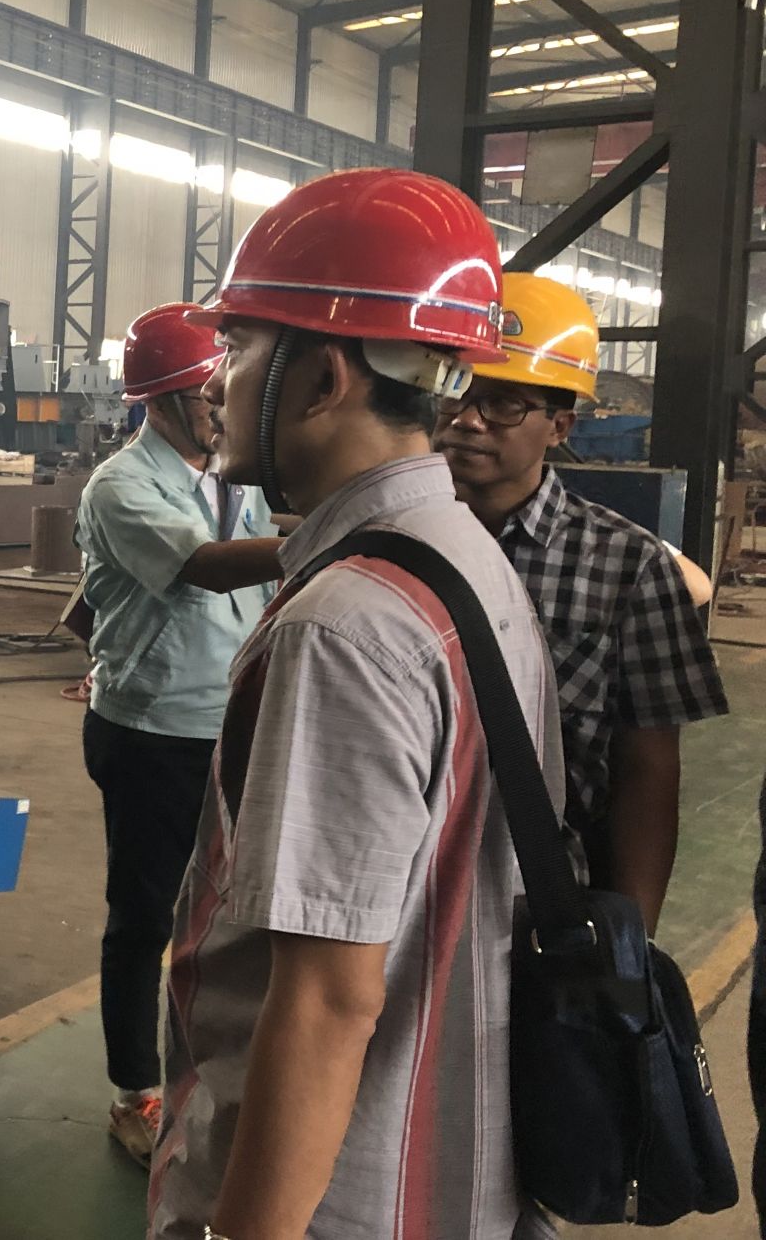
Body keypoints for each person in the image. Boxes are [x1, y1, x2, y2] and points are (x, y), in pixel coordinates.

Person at [147, 168, 563, 1240]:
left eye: (239, 346)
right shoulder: (462, 559)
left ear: (323, 377)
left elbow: (328, 999)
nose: (216, 381)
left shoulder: (344, 624)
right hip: (447, 1165)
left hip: (342, 1199)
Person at [436, 272, 726, 933]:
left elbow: (647, 774)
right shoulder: (390, 542)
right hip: (398, 890)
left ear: (560, 425)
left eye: (504, 404)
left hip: (539, 904)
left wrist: (630, 942)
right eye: (456, 391)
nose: (468, 421)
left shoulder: (628, 567)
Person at [73, 301, 281, 1164]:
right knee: (144, 917)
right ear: (159, 399)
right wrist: (342, 533)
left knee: (231, 917)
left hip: (237, 724)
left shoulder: (237, 478)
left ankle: (218, 1073)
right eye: (208, 391)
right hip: (153, 734)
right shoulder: (122, 485)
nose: (224, 401)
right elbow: (204, 567)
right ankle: (136, 1091)